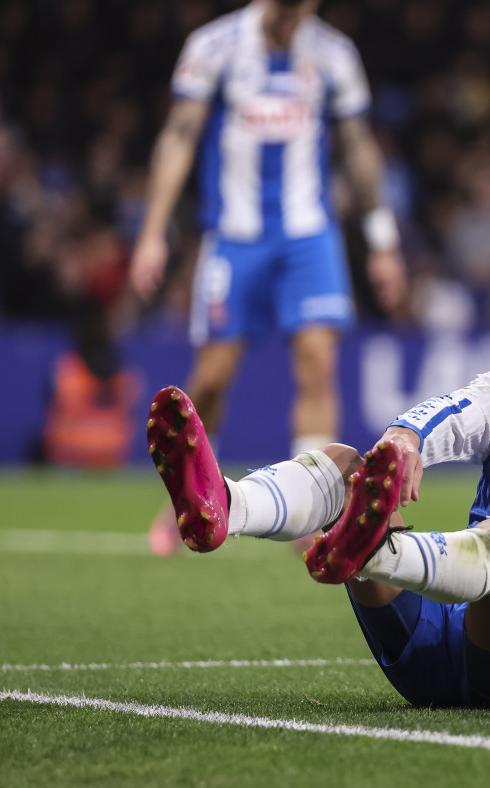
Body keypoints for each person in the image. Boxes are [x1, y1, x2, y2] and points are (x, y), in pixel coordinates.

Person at [145, 236, 490, 708]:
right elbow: (453, 411)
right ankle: (227, 506)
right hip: (436, 649)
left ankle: (371, 553)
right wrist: (406, 438)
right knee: (350, 467)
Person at [129, 0, 406, 555]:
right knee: (210, 377)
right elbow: (179, 137)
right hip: (234, 237)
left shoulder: (333, 53)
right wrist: (153, 230)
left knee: (317, 364)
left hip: (310, 236)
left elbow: (358, 149)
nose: (290, 19)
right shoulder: (214, 46)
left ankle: (315, 509)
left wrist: (382, 242)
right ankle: (187, 495)